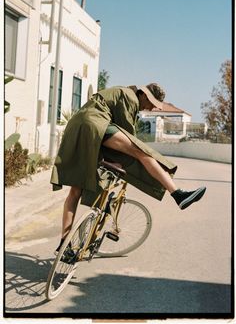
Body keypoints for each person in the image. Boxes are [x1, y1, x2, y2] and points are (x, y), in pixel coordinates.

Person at [50, 83, 206, 252]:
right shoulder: (130, 97)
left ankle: (64, 244)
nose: (152, 108)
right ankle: (177, 194)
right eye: (152, 103)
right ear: (143, 95)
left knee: (75, 192)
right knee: (142, 153)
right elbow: (128, 134)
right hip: (95, 123)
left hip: (76, 127)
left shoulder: (120, 93)